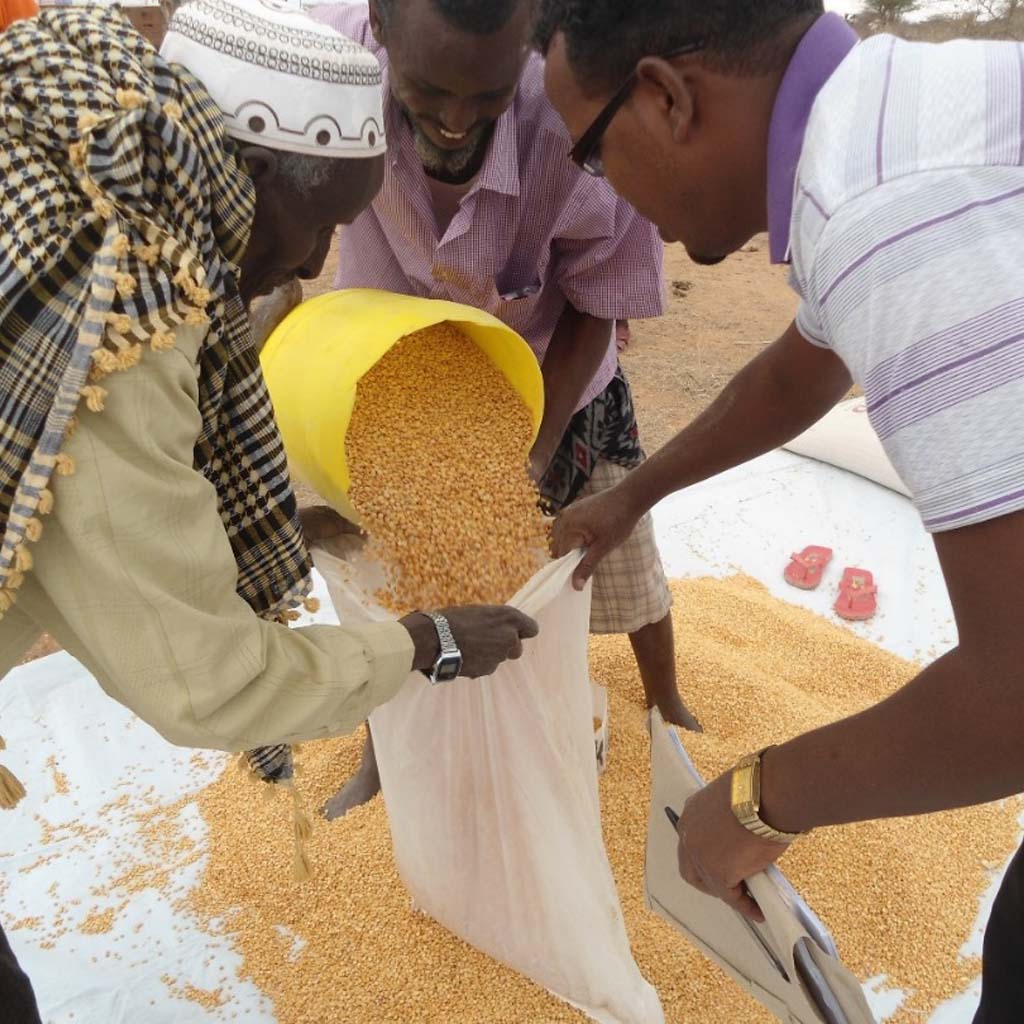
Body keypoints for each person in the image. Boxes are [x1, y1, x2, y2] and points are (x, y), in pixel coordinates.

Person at [0, 1, 537, 1015]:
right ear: (235, 172)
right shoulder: (116, 319)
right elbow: (204, 683)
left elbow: (93, 508)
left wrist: (276, 530)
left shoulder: (69, 157)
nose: (311, 266)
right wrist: (424, 642)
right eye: (320, 221)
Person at [539, 2, 1024, 1020]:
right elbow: (798, 371)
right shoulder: (880, 120)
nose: (602, 189)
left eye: (590, 152)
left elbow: (1014, 695)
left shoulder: (890, 215)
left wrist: (758, 800)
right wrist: (630, 496)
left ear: (666, 98)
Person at [301, 0, 700, 820]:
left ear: (532, 43)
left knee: (619, 549)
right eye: (425, 90)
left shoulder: (584, 114)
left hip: (553, 361)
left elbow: (599, 300)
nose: (455, 120)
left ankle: (666, 700)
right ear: (380, 24)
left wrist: (535, 446)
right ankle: (384, 751)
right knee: (398, 571)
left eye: (486, 96)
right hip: (393, 363)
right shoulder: (324, 67)